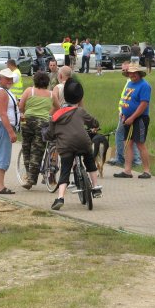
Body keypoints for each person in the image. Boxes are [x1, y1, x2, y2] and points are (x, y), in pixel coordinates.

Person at [48, 78, 102, 210]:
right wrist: (95, 126)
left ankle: (60, 197)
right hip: (83, 142)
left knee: (65, 170)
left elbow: (50, 133)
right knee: (89, 161)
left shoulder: (56, 115)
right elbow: (94, 122)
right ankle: (95, 187)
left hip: (65, 146)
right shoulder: (80, 111)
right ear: (79, 98)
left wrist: (51, 136)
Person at [113, 63, 152, 179]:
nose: (132, 75)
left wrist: (133, 117)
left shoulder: (144, 86)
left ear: (139, 74)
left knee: (140, 144)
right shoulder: (130, 84)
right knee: (127, 143)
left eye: (135, 73)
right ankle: (127, 170)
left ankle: (146, 170)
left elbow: (144, 104)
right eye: (130, 73)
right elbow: (126, 100)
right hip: (127, 118)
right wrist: (124, 115)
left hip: (139, 118)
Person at [18, 71, 52, 190]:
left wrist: (26, 110)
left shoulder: (29, 91)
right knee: (37, 151)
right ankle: (32, 179)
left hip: (27, 121)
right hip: (42, 124)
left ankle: (28, 175)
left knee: (26, 148)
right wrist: (48, 113)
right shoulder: (51, 94)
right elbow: (57, 107)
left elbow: (21, 106)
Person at [0, 68, 20, 194]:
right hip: (2, 127)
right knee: (3, 155)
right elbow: (3, 114)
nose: (9, 81)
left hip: (1, 126)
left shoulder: (4, 91)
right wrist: (11, 132)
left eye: (11, 79)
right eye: (7, 78)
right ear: (0, 79)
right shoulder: (2, 92)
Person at [107, 62, 141, 167]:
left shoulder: (137, 84)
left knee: (123, 135)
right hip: (124, 114)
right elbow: (125, 98)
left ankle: (123, 158)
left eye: (126, 69)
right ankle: (133, 159)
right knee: (129, 137)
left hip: (129, 115)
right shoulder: (129, 82)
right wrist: (121, 110)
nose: (125, 72)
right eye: (123, 70)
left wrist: (128, 114)